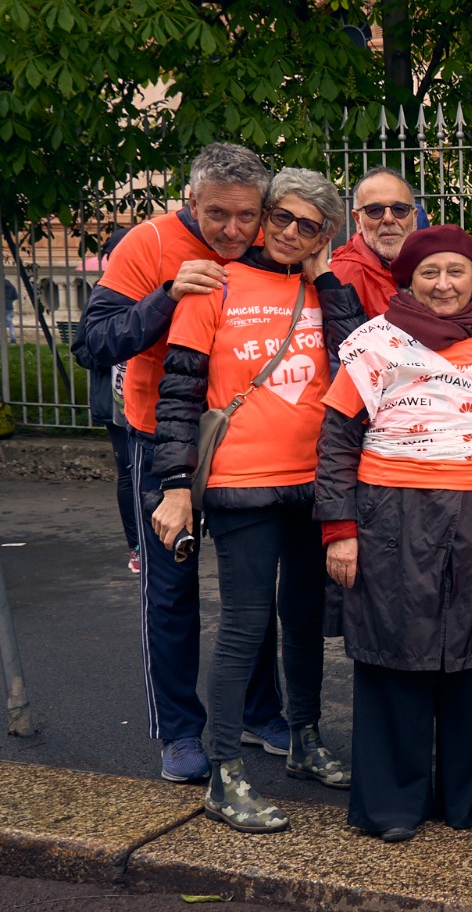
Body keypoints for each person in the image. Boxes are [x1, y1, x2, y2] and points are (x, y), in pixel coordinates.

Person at [317, 225, 472, 842]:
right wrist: (339, 529)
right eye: (430, 273)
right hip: (392, 518)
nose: (444, 284)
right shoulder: (375, 345)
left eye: (456, 270)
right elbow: (338, 440)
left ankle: (469, 794)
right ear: (409, 279)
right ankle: (391, 802)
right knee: (395, 653)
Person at [150, 168, 362, 832]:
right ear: (264, 215)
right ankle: (224, 775)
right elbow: (179, 394)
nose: (292, 232)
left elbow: (358, 358)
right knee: (245, 624)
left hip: (314, 482)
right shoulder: (215, 283)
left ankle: (303, 740)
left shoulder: (323, 290)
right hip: (242, 485)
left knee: (303, 620)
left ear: (326, 235)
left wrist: (326, 276)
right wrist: (176, 486)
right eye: (284, 218)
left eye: (312, 225)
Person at [74, 142, 286, 783]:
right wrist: (166, 296)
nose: (232, 230)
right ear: (191, 201)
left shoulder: (268, 246)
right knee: (170, 591)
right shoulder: (147, 242)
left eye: (246, 216)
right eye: (217, 214)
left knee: (253, 591)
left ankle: (259, 710)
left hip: (247, 446)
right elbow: (92, 343)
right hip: (157, 441)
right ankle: (179, 731)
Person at [70, 227, 140, 574]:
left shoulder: (154, 289)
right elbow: (81, 349)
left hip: (150, 401)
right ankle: (137, 547)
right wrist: (109, 351)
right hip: (116, 404)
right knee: (127, 472)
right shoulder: (103, 295)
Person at [330, 166, 418, 319]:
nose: (389, 219)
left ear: (414, 218)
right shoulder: (341, 277)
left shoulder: (432, 268)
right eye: (375, 210)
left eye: (400, 209)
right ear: (358, 220)